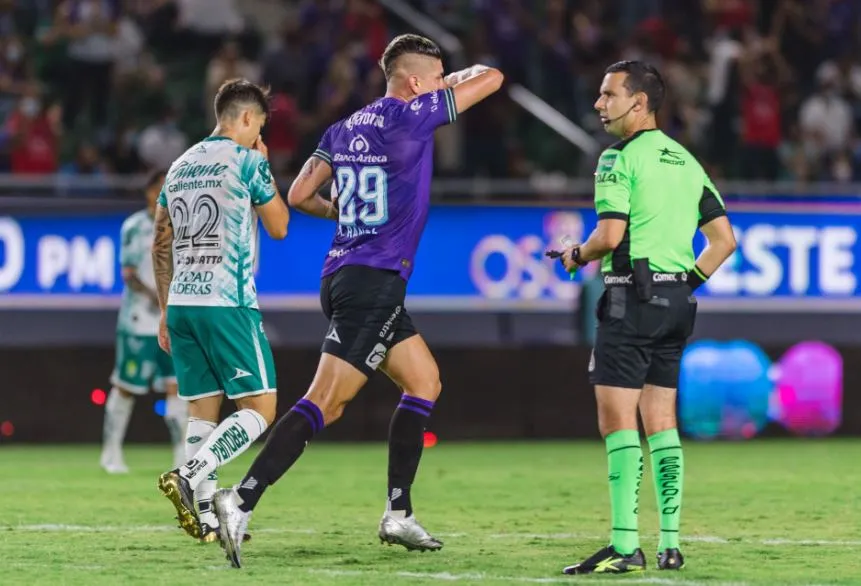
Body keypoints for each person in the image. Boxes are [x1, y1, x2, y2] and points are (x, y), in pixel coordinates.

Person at [212, 34, 504, 568]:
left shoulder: (344, 127)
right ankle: (240, 498)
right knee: (327, 401)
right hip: (374, 282)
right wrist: (457, 79)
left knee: (424, 382)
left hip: (349, 272)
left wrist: (342, 216)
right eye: (436, 79)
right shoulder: (413, 116)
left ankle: (399, 512)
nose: (441, 87)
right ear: (416, 83)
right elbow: (493, 77)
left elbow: (299, 195)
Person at [556, 61, 736, 574]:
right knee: (661, 423)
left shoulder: (617, 158)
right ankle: (671, 545)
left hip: (629, 299)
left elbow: (609, 238)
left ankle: (623, 544)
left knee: (618, 423)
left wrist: (576, 255)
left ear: (639, 103)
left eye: (608, 94)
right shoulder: (686, 161)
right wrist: (682, 285)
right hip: (678, 305)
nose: (599, 104)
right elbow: (724, 242)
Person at [153, 79, 291, 544]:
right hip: (226, 302)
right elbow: (279, 226)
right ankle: (189, 475)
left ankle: (208, 519)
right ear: (248, 119)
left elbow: (160, 242)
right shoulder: (249, 160)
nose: (259, 138)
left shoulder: (179, 165)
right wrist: (265, 168)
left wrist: (162, 309)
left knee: (203, 414)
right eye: (260, 128)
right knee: (261, 409)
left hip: (180, 305)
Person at [100, 169, 187, 474]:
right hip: (138, 320)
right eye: (158, 188)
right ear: (149, 192)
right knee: (126, 386)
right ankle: (111, 452)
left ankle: (182, 456)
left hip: (173, 320)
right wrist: (158, 295)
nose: (163, 193)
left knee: (177, 387)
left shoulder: (184, 225)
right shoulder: (134, 227)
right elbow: (129, 273)